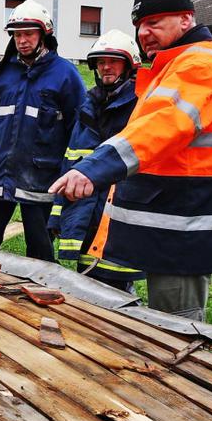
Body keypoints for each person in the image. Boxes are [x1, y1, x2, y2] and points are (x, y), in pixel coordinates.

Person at [49, 0, 212, 321]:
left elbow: (159, 128)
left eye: (154, 23)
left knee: (177, 326)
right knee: (163, 321)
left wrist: (94, 169)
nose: (144, 32)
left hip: (186, 224)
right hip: (173, 218)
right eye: (140, 25)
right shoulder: (176, 65)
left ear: (186, 20)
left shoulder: (200, 65)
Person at [0, 0, 86, 261]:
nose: (22, 40)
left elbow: (78, 130)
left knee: (40, 255)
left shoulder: (66, 75)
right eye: (17, 35)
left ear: (44, 35)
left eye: (28, 34)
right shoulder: (3, 75)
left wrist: (75, 171)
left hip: (42, 181)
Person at [48, 31, 145, 292]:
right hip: (85, 213)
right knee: (87, 286)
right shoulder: (88, 106)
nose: (106, 67)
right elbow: (71, 162)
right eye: (100, 62)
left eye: (113, 61)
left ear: (129, 65)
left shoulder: (140, 108)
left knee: (117, 291)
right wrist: (57, 217)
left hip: (119, 215)